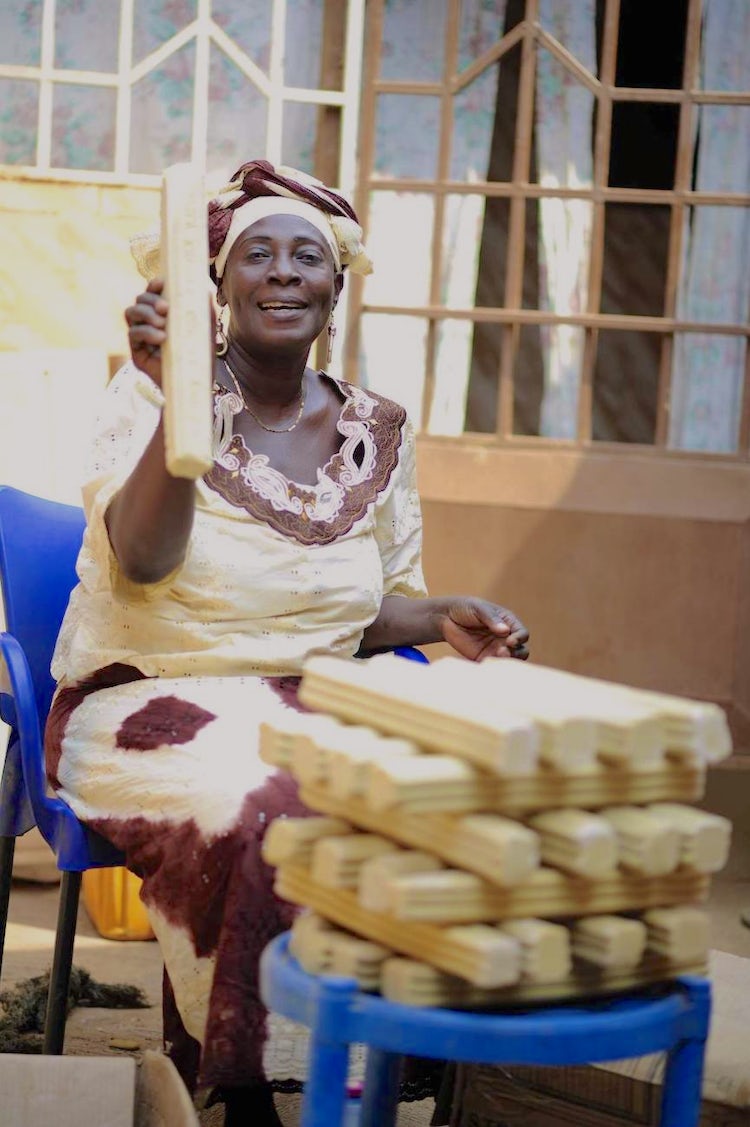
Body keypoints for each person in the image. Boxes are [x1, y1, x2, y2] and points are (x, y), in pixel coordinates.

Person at [44, 159, 529, 1126]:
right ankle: (249, 1080)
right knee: (266, 801)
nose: (282, 272)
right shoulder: (147, 398)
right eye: (255, 254)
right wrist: (178, 406)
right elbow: (143, 560)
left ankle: (405, 1065)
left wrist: (438, 617)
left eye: (307, 256)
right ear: (218, 287)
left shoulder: (375, 432)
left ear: (335, 290)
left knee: (458, 789)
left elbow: (356, 613)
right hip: (154, 698)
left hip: (308, 690)